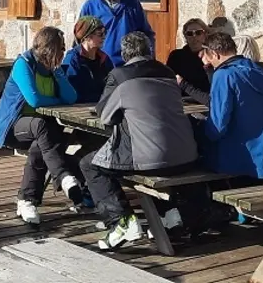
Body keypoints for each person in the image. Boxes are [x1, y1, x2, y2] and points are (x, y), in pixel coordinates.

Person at [79, 32, 199, 250]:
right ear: (149, 51)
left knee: (89, 163)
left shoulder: (121, 76)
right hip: (186, 156)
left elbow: (105, 116)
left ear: (125, 54)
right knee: (144, 148)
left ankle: (121, 221)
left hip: (151, 159)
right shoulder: (168, 73)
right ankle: (170, 215)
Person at [0, 26, 84, 225]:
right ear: (50, 49)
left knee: (40, 146)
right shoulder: (23, 65)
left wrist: (58, 74)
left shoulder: (53, 69)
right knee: (43, 127)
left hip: (41, 129)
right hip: (11, 126)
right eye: (61, 48)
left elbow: (71, 97)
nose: (64, 52)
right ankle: (63, 177)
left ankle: (27, 201)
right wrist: (57, 101)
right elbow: (34, 100)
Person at [198, 32, 263, 180]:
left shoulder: (224, 75)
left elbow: (218, 125)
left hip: (234, 159)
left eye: (209, 58)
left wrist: (199, 132)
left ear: (215, 54)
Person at [79, 0, 154, 67]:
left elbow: (146, 33)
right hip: (101, 65)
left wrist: (149, 59)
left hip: (130, 65)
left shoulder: (132, 4)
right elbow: (81, 38)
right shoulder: (90, 6)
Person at [58, 16, 113, 103]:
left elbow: (113, 84)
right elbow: (73, 91)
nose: (104, 37)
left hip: (103, 104)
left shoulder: (104, 58)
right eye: (100, 34)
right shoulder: (73, 59)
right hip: (80, 106)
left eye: (104, 33)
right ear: (87, 37)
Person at [166, 18, 213, 103]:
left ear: (205, 34)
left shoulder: (213, 55)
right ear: (185, 37)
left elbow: (216, 84)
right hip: (182, 102)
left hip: (206, 102)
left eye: (198, 33)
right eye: (189, 33)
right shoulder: (176, 56)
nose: (194, 37)